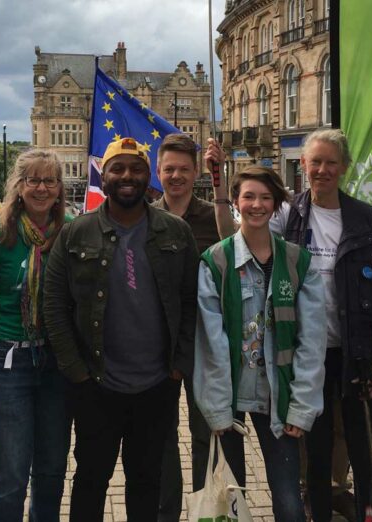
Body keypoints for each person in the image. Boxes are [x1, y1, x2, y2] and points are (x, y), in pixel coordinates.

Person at [207, 128, 372, 521]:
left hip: (355, 353)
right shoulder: (286, 214)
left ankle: (364, 507)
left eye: (331, 162)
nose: (322, 170)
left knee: (361, 445)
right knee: (315, 445)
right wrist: (220, 184)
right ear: (305, 166)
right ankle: (318, 508)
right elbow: (234, 238)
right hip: (303, 351)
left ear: (344, 167)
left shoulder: (367, 220)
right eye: (315, 162)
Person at [44, 137, 198, 521]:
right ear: (104, 174)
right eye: (118, 168)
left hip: (157, 385)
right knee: (91, 479)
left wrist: (180, 362)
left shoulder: (176, 232)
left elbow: (193, 302)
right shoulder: (76, 233)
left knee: (146, 480)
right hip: (96, 384)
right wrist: (75, 370)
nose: (127, 176)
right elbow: (54, 305)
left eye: (136, 168)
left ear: (149, 178)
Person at [195, 165, 327, 521]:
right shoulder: (216, 262)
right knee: (230, 497)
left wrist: (302, 408)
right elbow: (211, 343)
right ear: (236, 202)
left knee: (287, 497)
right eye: (249, 196)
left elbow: (311, 341)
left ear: (277, 203)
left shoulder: (299, 262)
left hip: (278, 395)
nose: (257, 204)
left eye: (266, 197)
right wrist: (218, 409)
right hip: (231, 396)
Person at [0, 149, 71, 521]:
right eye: (33, 180)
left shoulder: (70, 231)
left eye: (50, 180)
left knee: (52, 469)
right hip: (7, 361)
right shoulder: (0, 231)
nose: (41, 188)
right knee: (9, 474)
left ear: (60, 187)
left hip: (57, 362)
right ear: (19, 186)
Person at [152, 133, 220, 521]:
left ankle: (204, 513)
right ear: (158, 172)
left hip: (205, 344)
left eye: (183, 169)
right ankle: (167, 514)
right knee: (161, 437)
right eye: (169, 169)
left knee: (204, 435)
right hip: (157, 346)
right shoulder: (145, 218)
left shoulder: (213, 215)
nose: (176, 176)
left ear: (195, 172)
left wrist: (222, 183)